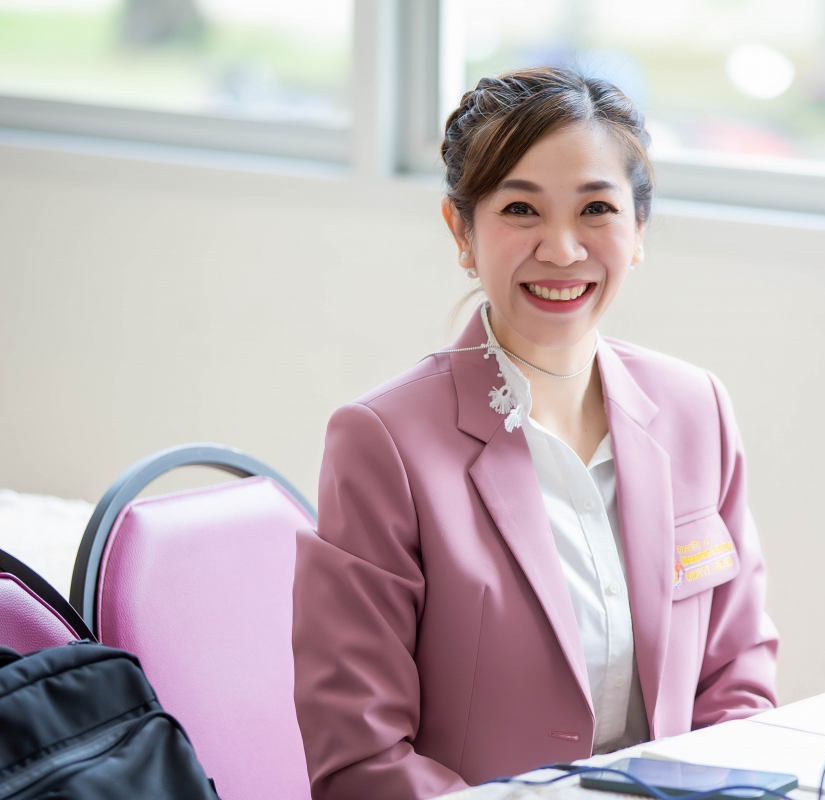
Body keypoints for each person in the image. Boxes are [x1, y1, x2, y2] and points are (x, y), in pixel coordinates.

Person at [291, 66, 779, 800]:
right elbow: (360, 758)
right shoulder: (383, 443)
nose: (561, 249)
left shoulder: (695, 408)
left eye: (596, 209)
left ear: (638, 230)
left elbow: (736, 679)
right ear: (462, 231)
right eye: (521, 209)